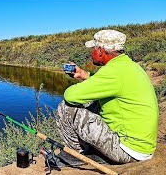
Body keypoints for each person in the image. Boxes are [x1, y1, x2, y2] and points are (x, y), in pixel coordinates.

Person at [55, 29, 158, 163]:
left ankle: (77, 155)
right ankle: (93, 150)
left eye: (93, 48)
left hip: (128, 151)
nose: (91, 53)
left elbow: (70, 95)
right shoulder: (128, 66)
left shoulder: (113, 72)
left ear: (100, 51)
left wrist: (82, 85)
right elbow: (109, 84)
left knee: (66, 108)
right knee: (92, 102)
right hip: (142, 147)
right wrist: (83, 75)